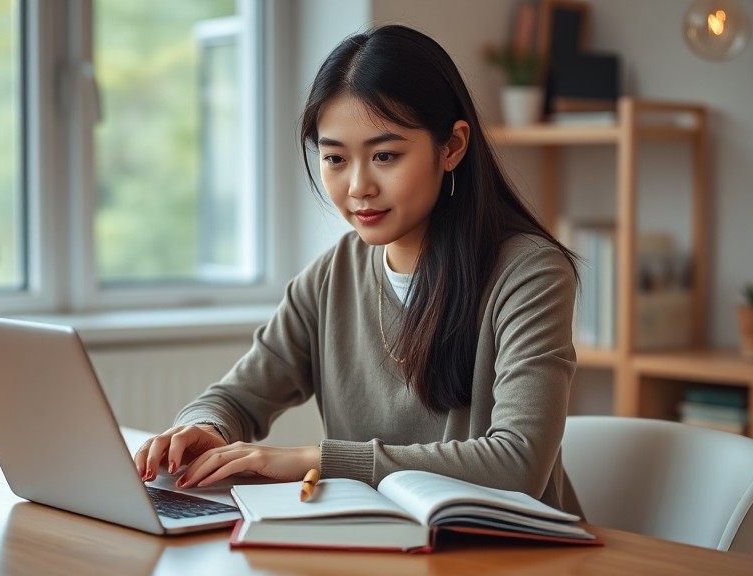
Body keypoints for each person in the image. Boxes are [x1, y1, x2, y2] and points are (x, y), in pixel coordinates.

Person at [134, 23, 581, 512]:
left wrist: (317, 460)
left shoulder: (529, 273)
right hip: (374, 545)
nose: (358, 186)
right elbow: (238, 398)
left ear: (452, 146)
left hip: (507, 550)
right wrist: (204, 427)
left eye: (385, 155)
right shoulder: (331, 276)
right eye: (335, 158)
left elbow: (519, 463)